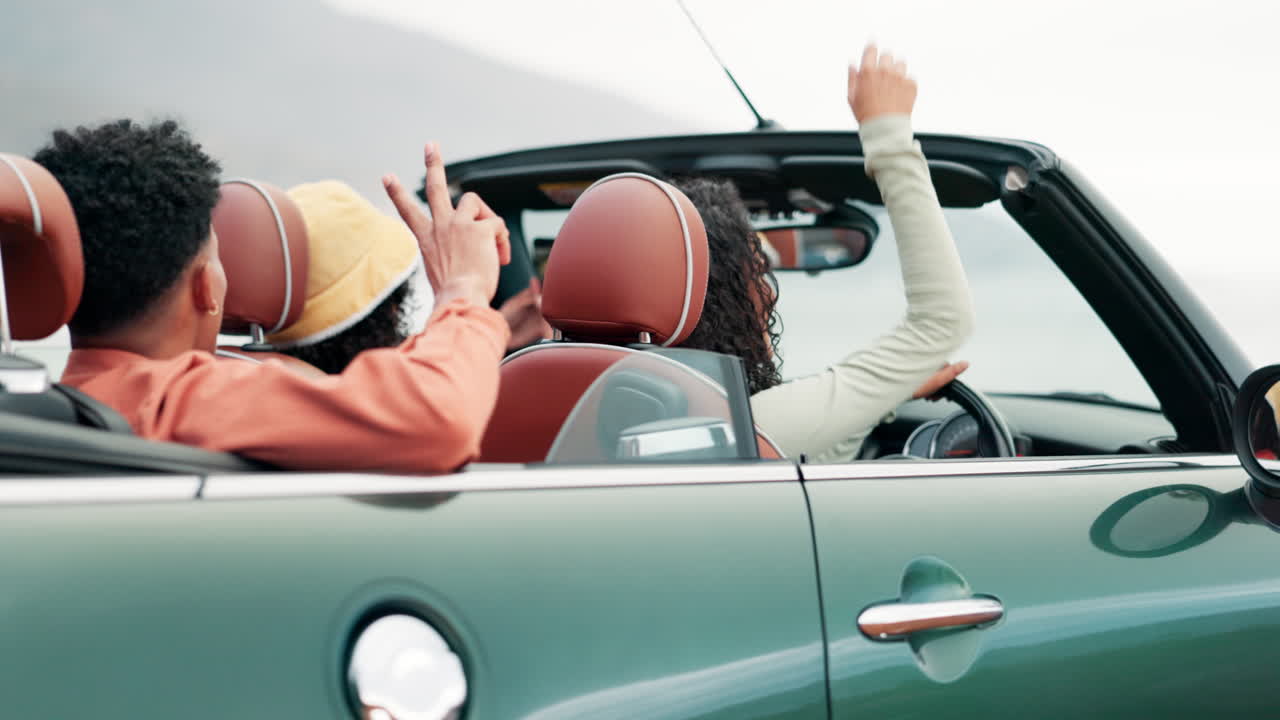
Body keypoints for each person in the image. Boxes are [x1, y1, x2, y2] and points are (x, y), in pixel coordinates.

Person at [41, 119, 511, 472]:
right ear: (207, 287)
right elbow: (437, 416)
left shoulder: (48, 407)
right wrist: (463, 289)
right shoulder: (191, 403)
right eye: (219, 257)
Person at [679, 45, 975, 462]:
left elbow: (820, 450)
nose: (769, 294)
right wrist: (888, 134)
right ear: (726, 301)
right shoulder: (744, 427)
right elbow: (943, 321)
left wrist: (887, 394)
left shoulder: (594, 408)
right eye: (759, 269)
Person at [269, 180, 549, 375]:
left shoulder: (241, 377)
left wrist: (495, 331)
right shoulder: (385, 413)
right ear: (394, 306)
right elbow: (432, 393)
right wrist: (466, 286)